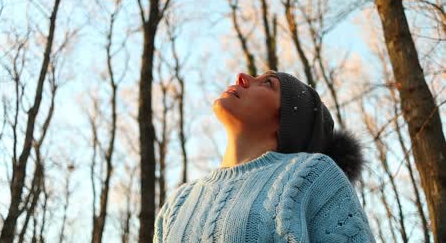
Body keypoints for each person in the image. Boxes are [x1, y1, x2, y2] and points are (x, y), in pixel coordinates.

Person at [153, 70, 376, 242]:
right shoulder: (178, 203)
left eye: (268, 83)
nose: (242, 77)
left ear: (290, 120)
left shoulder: (313, 175)